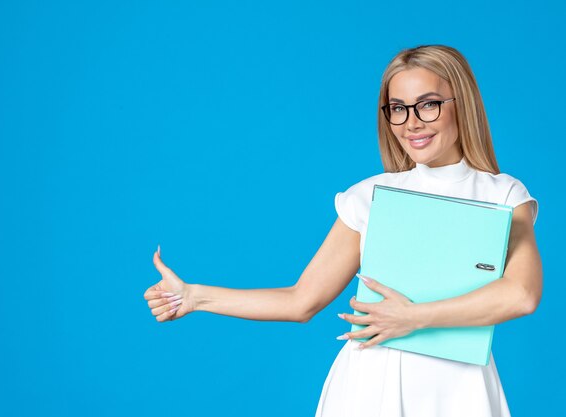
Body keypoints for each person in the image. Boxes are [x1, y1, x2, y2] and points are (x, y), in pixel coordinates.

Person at [144, 45, 542, 417]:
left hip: (458, 387)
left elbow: (521, 295)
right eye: (398, 109)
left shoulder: (504, 195)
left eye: (429, 105)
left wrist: (414, 318)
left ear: (463, 104)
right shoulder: (369, 196)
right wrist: (194, 296)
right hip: (369, 384)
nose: (412, 123)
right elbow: (301, 301)